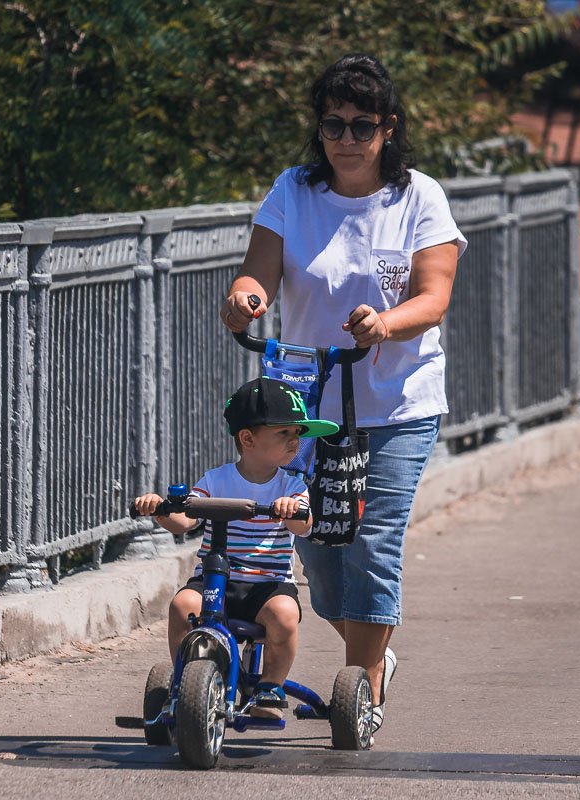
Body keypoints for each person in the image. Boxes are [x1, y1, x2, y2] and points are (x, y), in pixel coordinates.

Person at [220, 52, 466, 734]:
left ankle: (360, 693)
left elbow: (435, 296)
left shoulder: (419, 197)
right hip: (306, 411)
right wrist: (244, 300)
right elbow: (257, 276)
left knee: (373, 540)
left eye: (362, 125)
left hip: (396, 405)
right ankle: (375, 658)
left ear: (388, 129)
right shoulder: (293, 193)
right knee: (321, 554)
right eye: (333, 124)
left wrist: (384, 323)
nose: (346, 138)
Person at [132, 377, 339, 719]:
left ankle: (270, 687)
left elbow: (304, 524)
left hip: (267, 584)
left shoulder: (291, 485)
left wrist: (291, 511)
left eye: (297, 434)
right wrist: (160, 511)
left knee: (285, 616)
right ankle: (186, 682)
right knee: (183, 604)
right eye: (284, 433)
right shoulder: (216, 480)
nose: (295, 442)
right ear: (248, 438)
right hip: (215, 582)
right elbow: (186, 520)